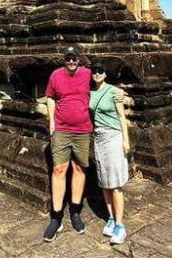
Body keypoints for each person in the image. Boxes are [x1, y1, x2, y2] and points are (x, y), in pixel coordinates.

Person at [43, 46, 92, 242]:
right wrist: (52, 122)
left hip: (83, 129)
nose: (71, 62)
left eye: (74, 58)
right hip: (61, 129)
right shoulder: (56, 75)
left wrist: (119, 93)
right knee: (59, 169)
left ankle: (75, 212)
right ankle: (56, 217)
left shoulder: (87, 74)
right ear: (64, 60)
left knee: (79, 169)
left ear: (79, 60)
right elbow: (50, 97)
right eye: (68, 58)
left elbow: (102, 86)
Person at [89, 62, 130, 245]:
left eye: (100, 71)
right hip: (99, 138)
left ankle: (120, 226)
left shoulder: (114, 92)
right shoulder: (90, 92)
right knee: (104, 181)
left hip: (114, 137)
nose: (97, 74)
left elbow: (122, 116)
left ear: (105, 74)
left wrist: (126, 140)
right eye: (94, 71)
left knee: (115, 183)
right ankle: (111, 218)